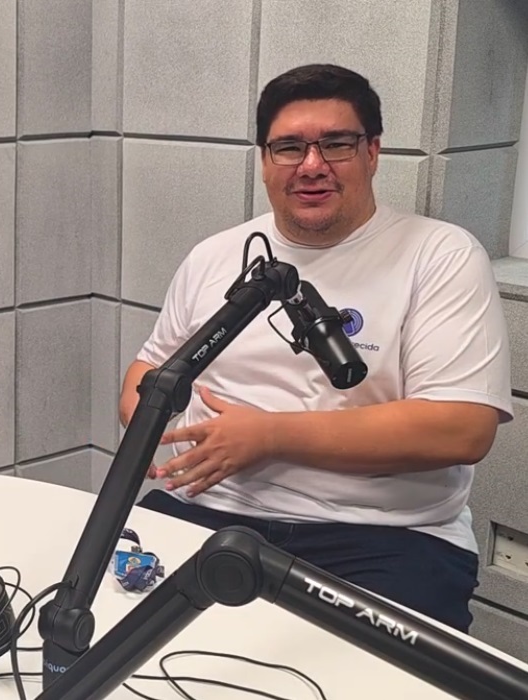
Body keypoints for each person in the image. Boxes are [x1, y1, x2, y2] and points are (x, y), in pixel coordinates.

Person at [119, 64, 512, 633]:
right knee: (114, 649)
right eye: (289, 147)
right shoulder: (216, 256)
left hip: (381, 536)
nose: (311, 165)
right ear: (264, 160)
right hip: (207, 512)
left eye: (336, 144)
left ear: (372, 152)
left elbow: (461, 429)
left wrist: (267, 437)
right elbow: (150, 370)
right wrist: (165, 428)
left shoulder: (440, 256)